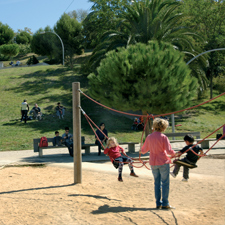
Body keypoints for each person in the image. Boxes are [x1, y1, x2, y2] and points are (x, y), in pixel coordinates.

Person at [140, 118, 176, 210]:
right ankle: (165, 203)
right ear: (164, 127)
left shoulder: (149, 137)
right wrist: (176, 153)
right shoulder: (164, 137)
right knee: (165, 183)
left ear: (154, 126)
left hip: (153, 163)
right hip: (163, 162)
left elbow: (143, 151)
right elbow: (169, 151)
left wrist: (141, 148)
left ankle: (158, 203)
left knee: (157, 183)